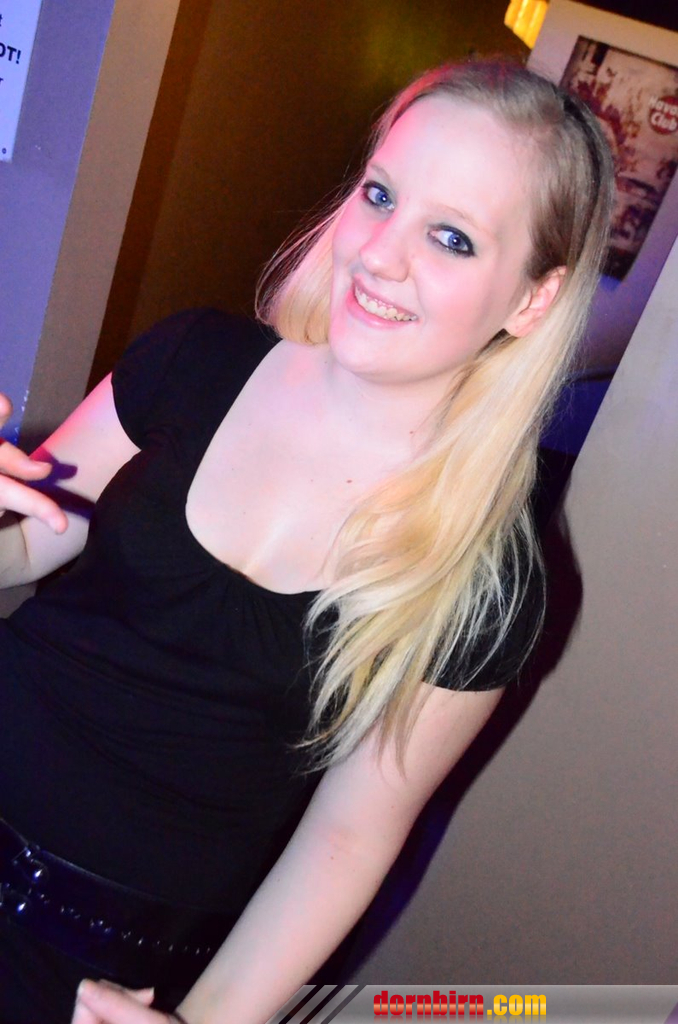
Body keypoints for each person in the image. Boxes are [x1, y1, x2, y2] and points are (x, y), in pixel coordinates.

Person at [0, 59, 613, 1024]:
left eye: (452, 237)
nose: (379, 255)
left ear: (532, 300)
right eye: (381, 195)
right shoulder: (193, 356)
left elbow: (346, 841)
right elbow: (33, 540)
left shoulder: (487, 581)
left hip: (98, 972)